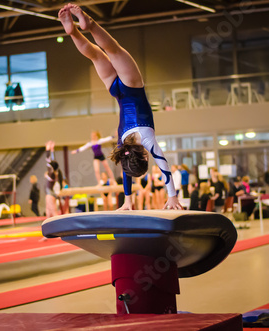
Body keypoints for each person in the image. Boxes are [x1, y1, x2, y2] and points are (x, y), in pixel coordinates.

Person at [59, 4, 181, 211]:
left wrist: (173, 197)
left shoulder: (147, 140)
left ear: (143, 156)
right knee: (95, 55)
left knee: (112, 48)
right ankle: (73, 33)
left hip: (132, 85)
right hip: (115, 90)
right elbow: (125, 169)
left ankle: (90, 24)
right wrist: (127, 201)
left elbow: (164, 166)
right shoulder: (123, 144)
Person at [45, 141, 63, 217]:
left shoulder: (51, 173)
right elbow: (52, 161)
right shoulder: (55, 172)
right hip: (50, 193)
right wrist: (52, 150)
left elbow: (48, 160)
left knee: (53, 214)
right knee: (49, 214)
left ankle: (59, 227)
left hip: (49, 195)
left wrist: (47, 149)